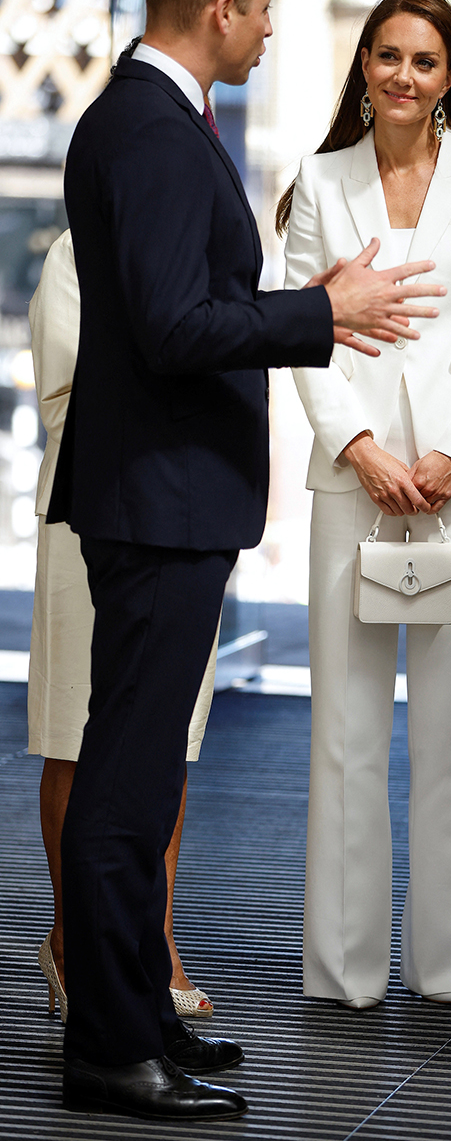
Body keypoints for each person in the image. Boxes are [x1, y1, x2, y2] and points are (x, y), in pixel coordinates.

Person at [48, 0, 444, 1122]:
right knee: (127, 785)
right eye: (264, 7)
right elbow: (177, 326)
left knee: (142, 777)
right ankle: (113, 1043)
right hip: (159, 500)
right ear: (217, 9)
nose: (276, 27)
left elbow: (183, 305)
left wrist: (304, 309)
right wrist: (320, 311)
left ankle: (139, 1013)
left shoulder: (151, 119)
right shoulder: (156, 133)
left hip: (161, 496)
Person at [278, 0, 451, 1010]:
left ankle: (447, 966)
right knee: (342, 734)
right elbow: (302, 328)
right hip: (354, 482)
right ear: (364, 67)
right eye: (386, 55)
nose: (401, 75)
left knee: (448, 737)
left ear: (450, 76)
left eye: (423, 61)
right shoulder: (318, 176)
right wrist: (362, 445)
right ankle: (342, 972)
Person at [29, 228, 217, 1022]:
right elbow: (67, 386)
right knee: (77, 725)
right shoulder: (80, 247)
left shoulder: (210, 245)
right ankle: (71, 937)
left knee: (168, 733)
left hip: (188, 500)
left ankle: (155, 938)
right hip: (93, 500)